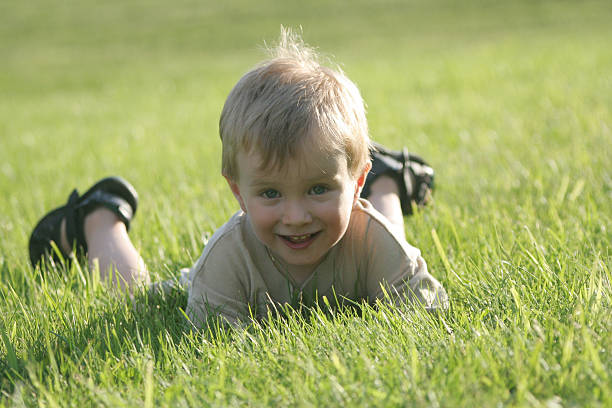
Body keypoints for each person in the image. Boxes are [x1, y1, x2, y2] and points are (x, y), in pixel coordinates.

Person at [29, 29, 448, 328]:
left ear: (356, 183)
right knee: (135, 301)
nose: (296, 215)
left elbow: (425, 314)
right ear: (239, 193)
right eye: (270, 193)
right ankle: (100, 215)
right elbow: (218, 349)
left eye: (318, 188)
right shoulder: (226, 263)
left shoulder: (374, 239)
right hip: (199, 285)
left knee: (380, 229)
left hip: (364, 217)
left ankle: (387, 181)